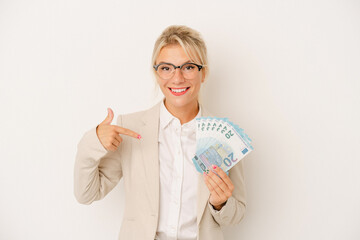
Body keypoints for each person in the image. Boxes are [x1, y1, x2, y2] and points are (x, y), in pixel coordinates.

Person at [74, 25, 247, 240]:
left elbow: (236, 214)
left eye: (189, 67)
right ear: (156, 73)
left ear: (204, 73)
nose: (177, 78)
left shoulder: (224, 137)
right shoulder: (131, 128)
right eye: (166, 68)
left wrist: (220, 204)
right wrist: (92, 143)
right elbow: (86, 194)